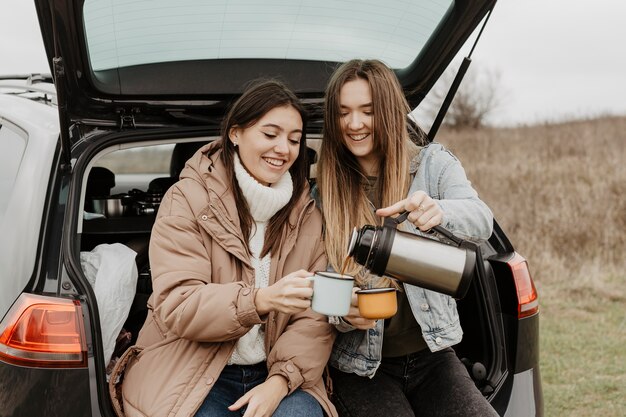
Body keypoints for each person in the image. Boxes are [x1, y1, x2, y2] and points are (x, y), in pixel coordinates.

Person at [110, 80, 337, 417]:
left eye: (294, 139)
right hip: (189, 368)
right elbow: (180, 304)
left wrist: (280, 382)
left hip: (278, 371)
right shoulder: (186, 200)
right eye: (270, 134)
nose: (283, 149)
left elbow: (315, 318)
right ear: (235, 133)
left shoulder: (308, 214)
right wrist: (260, 300)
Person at [315, 59, 498, 417]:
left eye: (367, 111)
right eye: (344, 113)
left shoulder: (433, 164)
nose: (354, 124)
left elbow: (482, 219)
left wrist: (440, 212)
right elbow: (315, 285)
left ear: (387, 111)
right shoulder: (326, 195)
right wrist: (343, 314)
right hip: (359, 367)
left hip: (433, 356)